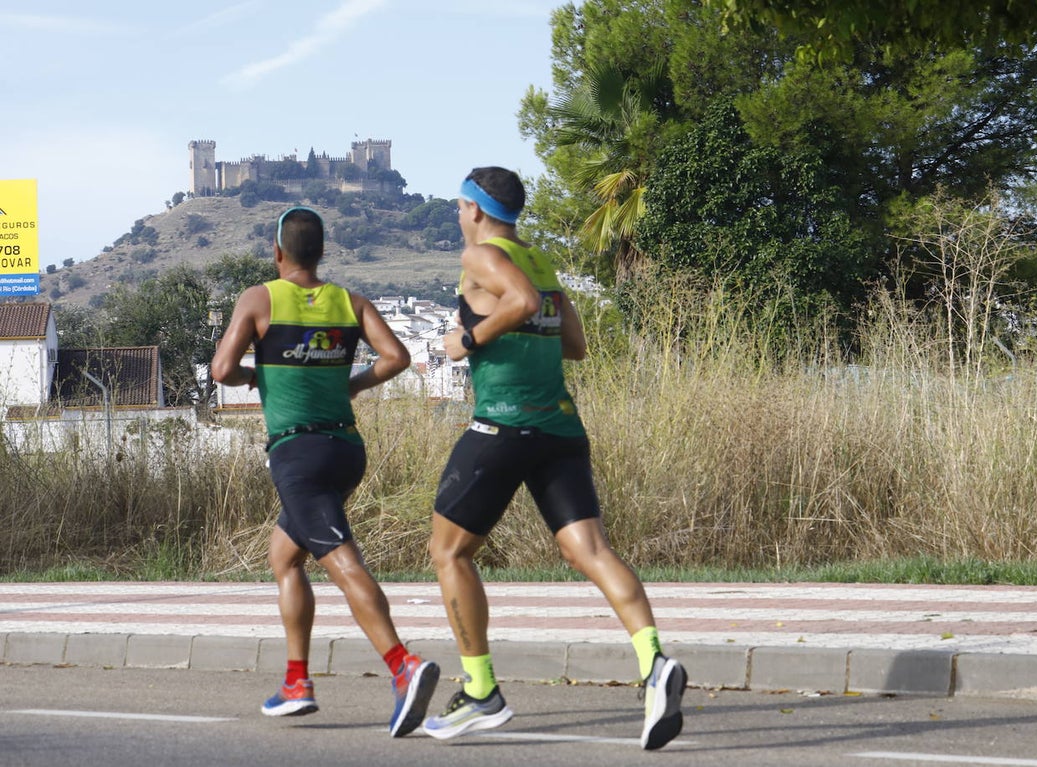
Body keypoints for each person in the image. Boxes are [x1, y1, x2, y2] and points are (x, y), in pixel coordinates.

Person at [422, 167, 687, 750]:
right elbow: (575, 344)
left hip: (503, 424)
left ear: (475, 209)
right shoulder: (538, 260)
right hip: (560, 427)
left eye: (458, 207)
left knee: (448, 551)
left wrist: (467, 340)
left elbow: (517, 302)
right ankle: (654, 663)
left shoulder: (483, 257)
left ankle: (482, 689)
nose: (457, 217)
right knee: (589, 549)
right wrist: (521, 323)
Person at [210, 206, 439, 737]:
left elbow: (222, 370)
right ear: (321, 253)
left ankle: (403, 666)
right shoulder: (349, 301)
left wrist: (256, 374)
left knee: (341, 560)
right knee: (284, 556)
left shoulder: (259, 298)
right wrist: (349, 385)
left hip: (298, 455)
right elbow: (397, 357)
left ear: (277, 253)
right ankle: (296, 681)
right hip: (345, 449)